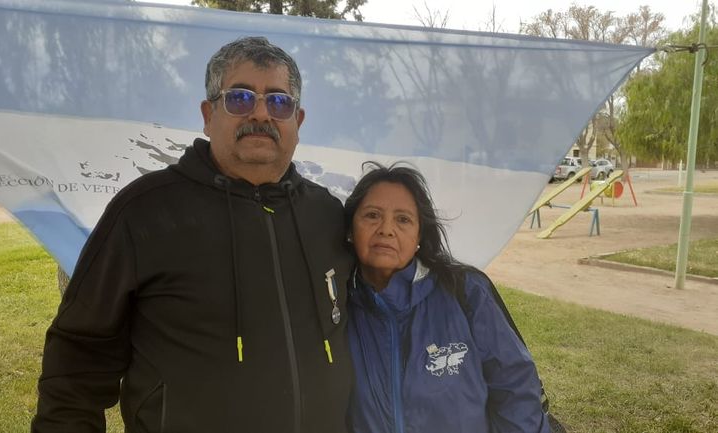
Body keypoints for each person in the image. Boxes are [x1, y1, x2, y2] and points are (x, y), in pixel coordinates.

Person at [32, 37, 354, 433]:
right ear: (208, 114)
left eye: (278, 101)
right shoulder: (144, 212)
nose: (260, 113)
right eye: (239, 98)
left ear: (297, 122)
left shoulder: (327, 216)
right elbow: (77, 359)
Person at [344, 162, 549, 433]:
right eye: (372, 215)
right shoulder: (336, 305)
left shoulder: (465, 292)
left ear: (419, 235)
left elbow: (517, 390)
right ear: (350, 229)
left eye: (403, 219)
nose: (386, 229)